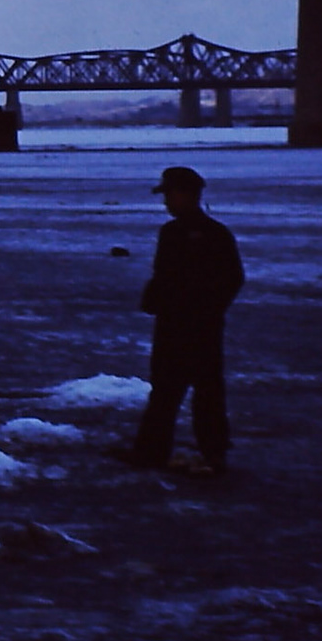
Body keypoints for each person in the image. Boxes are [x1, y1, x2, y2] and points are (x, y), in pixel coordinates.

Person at [112, 166, 244, 476]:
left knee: (198, 390)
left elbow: (231, 279)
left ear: (187, 194)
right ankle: (162, 450)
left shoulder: (207, 235)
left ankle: (199, 452)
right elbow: (166, 276)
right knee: (173, 389)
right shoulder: (178, 232)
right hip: (179, 325)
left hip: (195, 327)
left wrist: (206, 310)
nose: (166, 202)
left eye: (169, 194)